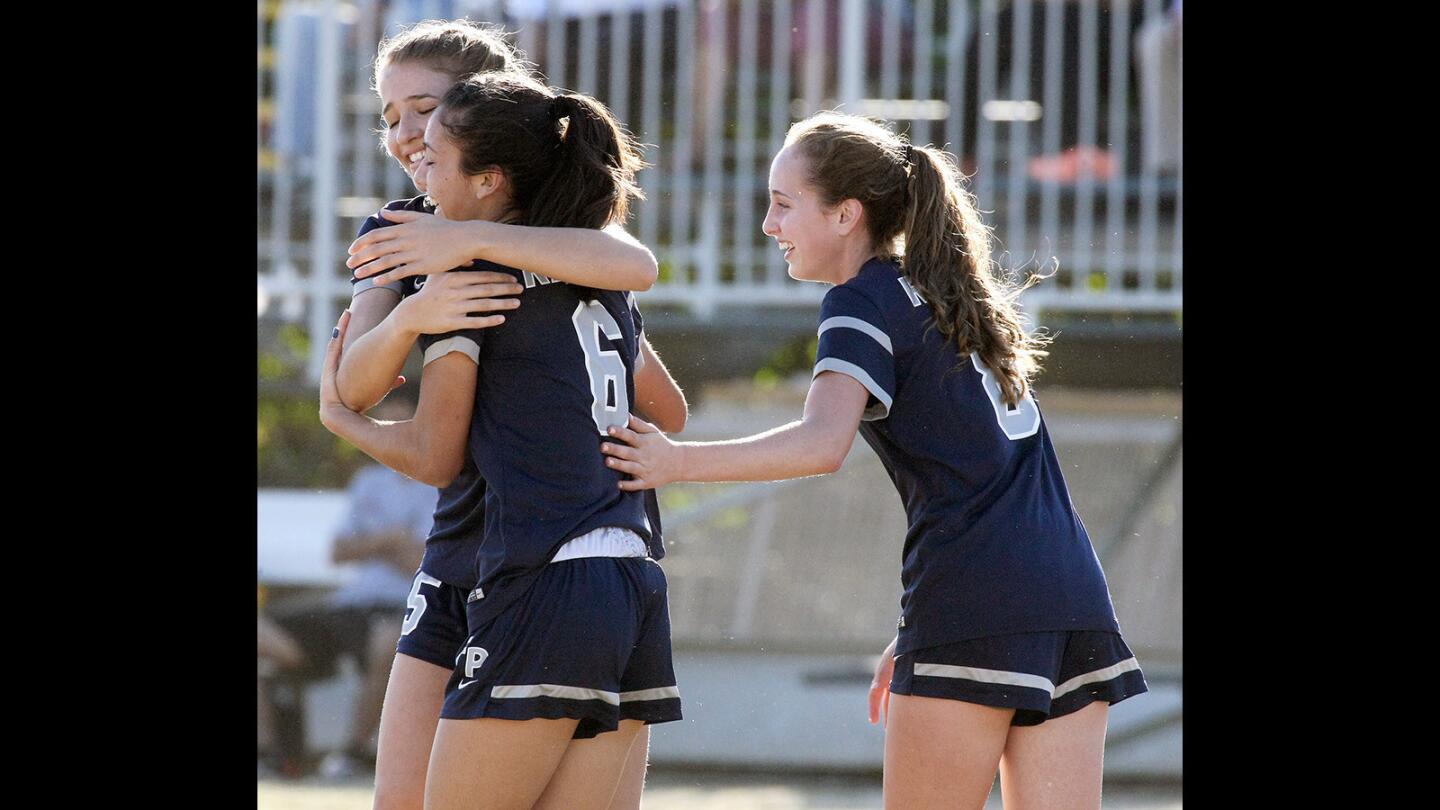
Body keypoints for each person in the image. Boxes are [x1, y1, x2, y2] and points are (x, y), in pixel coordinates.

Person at [600, 111, 1147, 810]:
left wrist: (674, 462)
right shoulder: (944, 293)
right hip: (1072, 598)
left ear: (845, 215)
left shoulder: (860, 300)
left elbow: (820, 444)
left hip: (975, 599)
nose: (769, 224)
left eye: (783, 203)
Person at [327, 20, 685, 810]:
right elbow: (355, 380)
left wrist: (472, 252)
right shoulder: (404, 229)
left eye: (422, 109)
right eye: (388, 117)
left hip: (539, 559)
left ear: (481, 111)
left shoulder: (530, 241)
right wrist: (414, 319)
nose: (404, 133)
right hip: (474, 557)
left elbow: (637, 279)